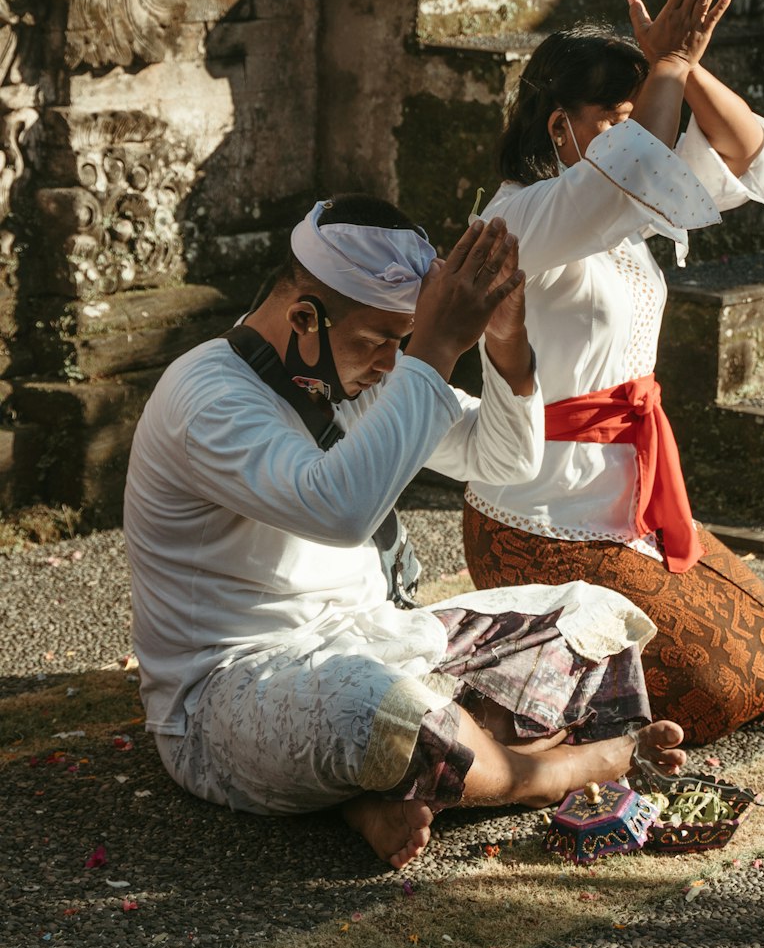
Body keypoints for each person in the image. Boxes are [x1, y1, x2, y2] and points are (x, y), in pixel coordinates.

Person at [124, 194, 687, 869]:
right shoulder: (209, 399)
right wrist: (436, 344)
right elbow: (338, 511)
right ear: (305, 317)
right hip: (230, 692)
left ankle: (378, 789)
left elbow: (503, 459)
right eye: (380, 342)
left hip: (375, 641)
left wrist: (505, 345)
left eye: (403, 343)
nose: (391, 365)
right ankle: (552, 771)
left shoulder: (349, 370)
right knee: (381, 713)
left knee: (596, 618)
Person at [463, 0, 764, 746]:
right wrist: (663, 68)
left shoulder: (622, 200)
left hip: (630, 502)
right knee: (718, 695)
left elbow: (744, 154)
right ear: (558, 121)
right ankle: (529, 694)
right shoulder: (524, 216)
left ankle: (551, 691)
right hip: (539, 516)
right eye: (617, 115)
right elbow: (626, 173)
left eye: (643, 111)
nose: (643, 131)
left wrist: (688, 69)